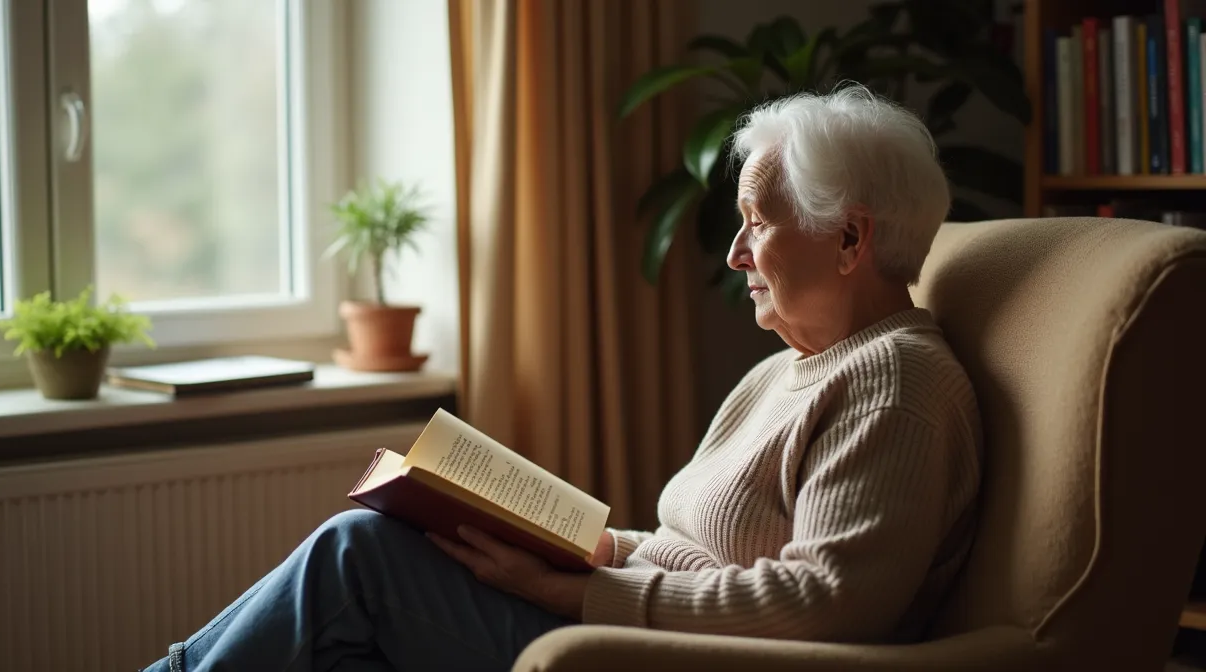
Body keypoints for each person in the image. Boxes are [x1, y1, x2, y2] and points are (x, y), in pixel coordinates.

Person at [141, 85, 983, 672]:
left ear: (849, 240)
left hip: (679, 659)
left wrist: (580, 592)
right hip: (646, 628)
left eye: (757, 225)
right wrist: (594, 547)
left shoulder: (895, 384)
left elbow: (824, 605)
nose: (734, 256)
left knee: (359, 558)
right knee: (353, 629)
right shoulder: (783, 373)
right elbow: (698, 553)